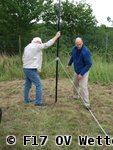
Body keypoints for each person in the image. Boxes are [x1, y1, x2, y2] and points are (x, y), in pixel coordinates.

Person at [22, 31, 61, 106]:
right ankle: (38, 102)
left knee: (27, 85)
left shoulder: (27, 46)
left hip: (26, 68)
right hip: (31, 69)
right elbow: (47, 44)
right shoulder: (36, 45)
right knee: (39, 84)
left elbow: (23, 57)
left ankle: (26, 100)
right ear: (38, 42)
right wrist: (56, 36)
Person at [67, 37, 92, 109]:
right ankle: (75, 96)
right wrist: (69, 64)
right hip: (76, 70)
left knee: (83, 87)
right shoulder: (74, 49)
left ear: (82, 43)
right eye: (77, 44)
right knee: (75, 84)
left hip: (84, 71)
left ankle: (86, 104)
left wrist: (82, 74)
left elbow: (89, 64)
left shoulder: (86, 51)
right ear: (75, 44)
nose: (78, 46)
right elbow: (72, 57)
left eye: (79, 44)